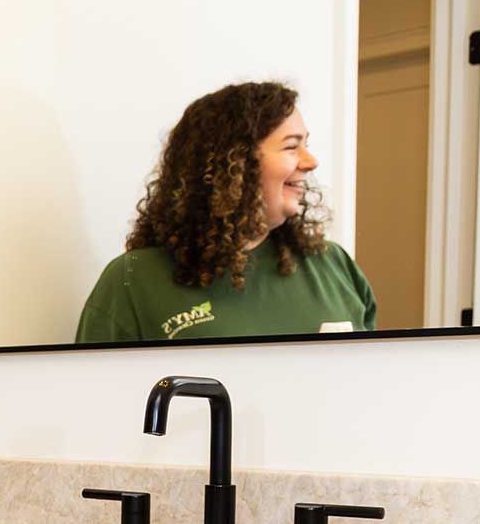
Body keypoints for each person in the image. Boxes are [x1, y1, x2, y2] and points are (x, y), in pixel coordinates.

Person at [75, 81, 378, 343]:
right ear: (235, 163)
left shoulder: (335, 267)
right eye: (291, 147)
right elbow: (94, 400)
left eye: (306, 145)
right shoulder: (132, 282)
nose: (311, 161)